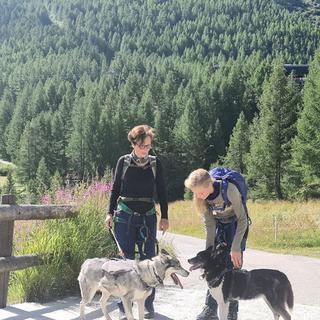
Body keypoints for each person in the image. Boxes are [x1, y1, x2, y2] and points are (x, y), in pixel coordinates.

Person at [105, 124, 169, 320]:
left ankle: (147, 305)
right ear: (133, 144)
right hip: (124, 216)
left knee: (149, 262)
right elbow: (115, 189)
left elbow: (162, 190)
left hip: (148, 216)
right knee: (124, 263)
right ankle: (124, 309)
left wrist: (165, 216)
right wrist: (109, 213)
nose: (145, 150)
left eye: (148, 146)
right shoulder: (123, 162)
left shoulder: (155, 163)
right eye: (142, 146)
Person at [184, 168, 249, 320]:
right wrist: (209, 253)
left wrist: (235, 247)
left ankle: (232, 312)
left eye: (199, 192)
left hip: (236, 226)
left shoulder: (230, 190)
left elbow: (243, 220)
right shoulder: (201, 198)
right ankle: (210, 308)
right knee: (212, 266)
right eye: (195, 193)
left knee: (232, 267)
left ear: (209, 185)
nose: (198, 196)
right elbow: (210, 225)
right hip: (219, 226)